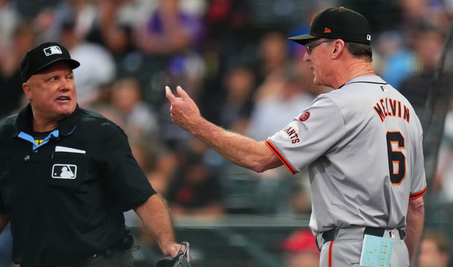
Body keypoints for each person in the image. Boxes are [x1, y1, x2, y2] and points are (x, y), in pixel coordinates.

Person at [166, 7, 426, 267]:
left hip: (353, 250)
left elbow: (259, 158)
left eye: (311, 47)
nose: (305, 58)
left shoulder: (339, 104)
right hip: (394, 250)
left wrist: (196, 125)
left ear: (336, 48)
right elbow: (415, 207)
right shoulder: (405, 108)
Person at [0, 42, 181, 266]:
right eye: (53, 79)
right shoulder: (6, 137)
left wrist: (168, 244)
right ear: (29, 90)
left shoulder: (101, 134)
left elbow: (143, 197)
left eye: (69, 77)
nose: (65, 86)